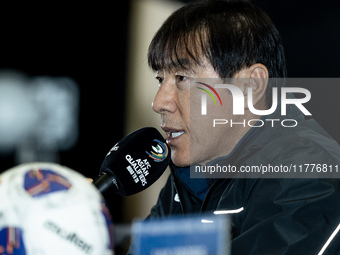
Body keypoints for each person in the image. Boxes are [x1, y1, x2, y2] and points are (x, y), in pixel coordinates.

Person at [128, 0, 340, 254]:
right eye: (161, 79)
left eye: (182, 78)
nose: (159, 102)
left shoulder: (310, 171)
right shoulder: (189, 176)